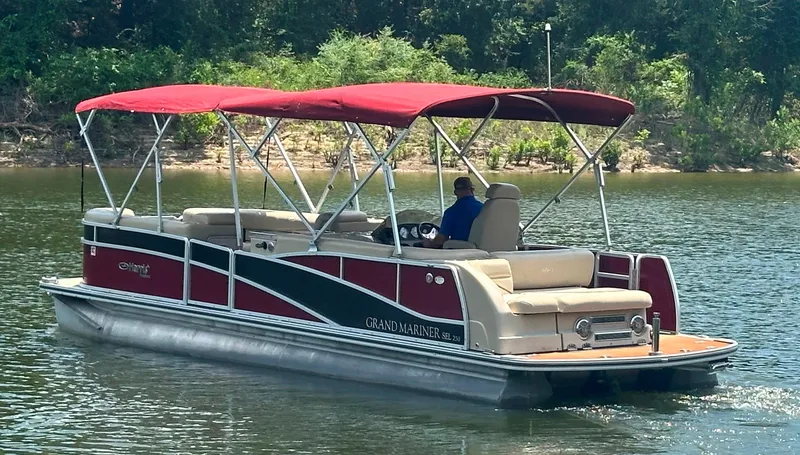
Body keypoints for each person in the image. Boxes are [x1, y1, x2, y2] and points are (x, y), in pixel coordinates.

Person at [422, 176, 483, 248]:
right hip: (482, 250)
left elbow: (441, 239)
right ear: (472, 189)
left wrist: (429, 243)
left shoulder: (451, 212)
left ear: (455, 192)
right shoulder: (484, 208)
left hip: (460, 252)